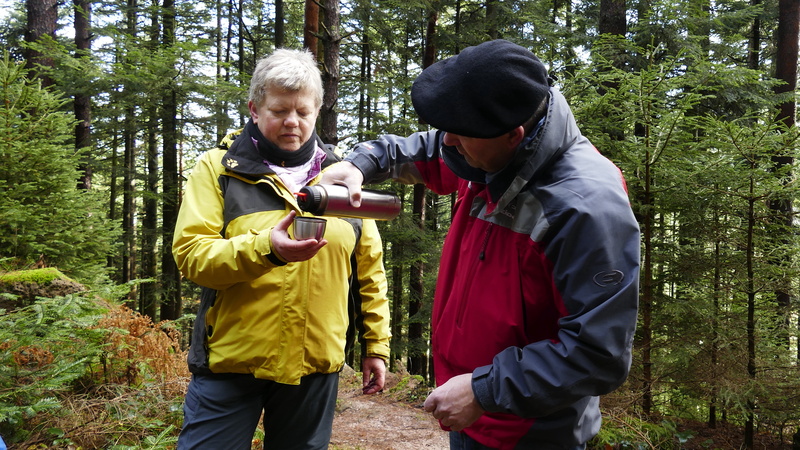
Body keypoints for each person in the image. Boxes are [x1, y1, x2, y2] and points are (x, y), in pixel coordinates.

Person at [320, 39, 640, 450]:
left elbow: (599, 354)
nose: (448, 141)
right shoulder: (484, 147)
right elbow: (427, 148)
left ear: (514, 136)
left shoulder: (587, 208)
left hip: (528, 431)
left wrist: (484, 390)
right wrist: (360, 163)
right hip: (469, 411)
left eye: (460, 134)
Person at [172, 48, 391, 449]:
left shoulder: (344, 178)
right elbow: (192, 255)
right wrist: (265, 250)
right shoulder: (219, 169)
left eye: (303, 112)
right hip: (231, 362)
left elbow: (368, 272)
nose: (292, 122)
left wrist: (376, 346)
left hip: (314, 367)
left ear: (317, 111)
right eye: (279, 110)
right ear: (255, 109)